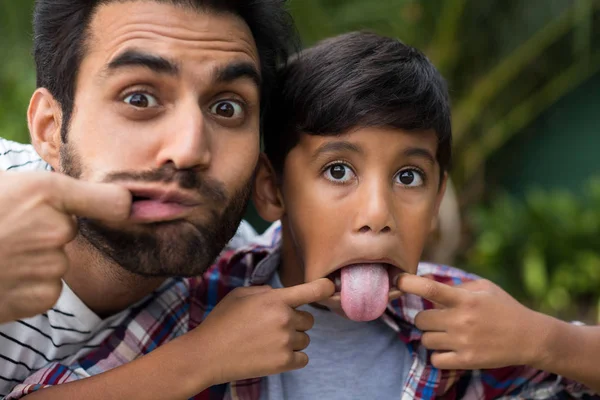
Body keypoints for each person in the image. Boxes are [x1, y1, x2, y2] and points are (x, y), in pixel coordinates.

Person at [8, 32, 599, 400]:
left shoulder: (461, 318)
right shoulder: (200, 304)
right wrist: (198, 361)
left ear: (439, 192)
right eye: (338, 171)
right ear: (271, 190)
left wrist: (545, 339)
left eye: (409, 177)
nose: (377, 215)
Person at [0, 0, 336, 398]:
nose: (190, 149)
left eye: (226, 107)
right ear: (50, 129)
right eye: (139, 99)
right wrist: (198, 360)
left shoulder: (245, 273)